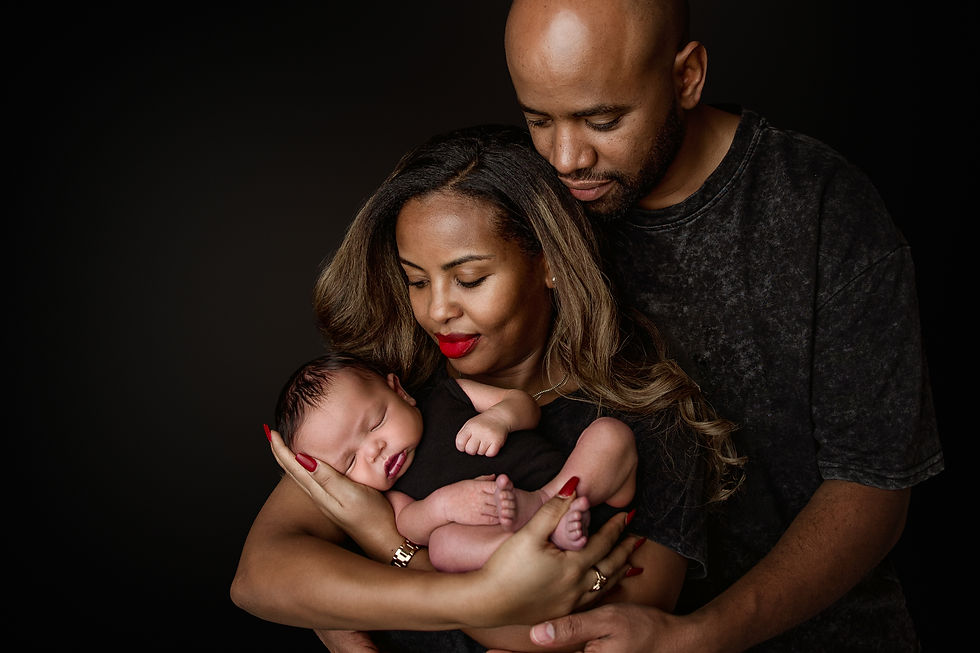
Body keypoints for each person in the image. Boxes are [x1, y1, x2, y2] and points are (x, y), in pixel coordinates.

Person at [500, 1, 944, 651]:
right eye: (539, 120)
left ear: (687, 76)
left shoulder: (821, 207)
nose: (565, 156)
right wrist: (390, 577)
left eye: (602, 119)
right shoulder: (525, 212)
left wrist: (699, 636)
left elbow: (873, 488)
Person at [231, 123, 743, 652]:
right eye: (416, 279)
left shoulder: (646, 418)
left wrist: (384, 545)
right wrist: (472, 598)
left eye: (470, 279)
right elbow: (260, 578)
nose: (437, 311)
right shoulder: (380, 406)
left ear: (549, 263)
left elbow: (601, 629)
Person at [272, 350, 638, 568]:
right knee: (445, 548)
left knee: (610, 433)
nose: (374, 451)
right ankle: (530, 547)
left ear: (399, 391)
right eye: (350, 463)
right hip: (509, 543)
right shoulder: (392, 494)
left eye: (376, 423)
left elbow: (524, 406)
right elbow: (409, 527)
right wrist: (441, 507)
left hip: (566, 489)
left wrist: (498, 418)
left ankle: (549, 502)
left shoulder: (449, 396)